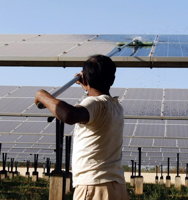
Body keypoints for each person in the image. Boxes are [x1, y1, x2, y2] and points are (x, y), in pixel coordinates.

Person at [35, 54, 129, 200]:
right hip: (116, 186)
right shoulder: (116, 106)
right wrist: (87, 87)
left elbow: (69, 115)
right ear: (113, 79)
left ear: (84, 78)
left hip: (93, 187)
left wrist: (43, 96)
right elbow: (95, 103)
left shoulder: (95, 105)